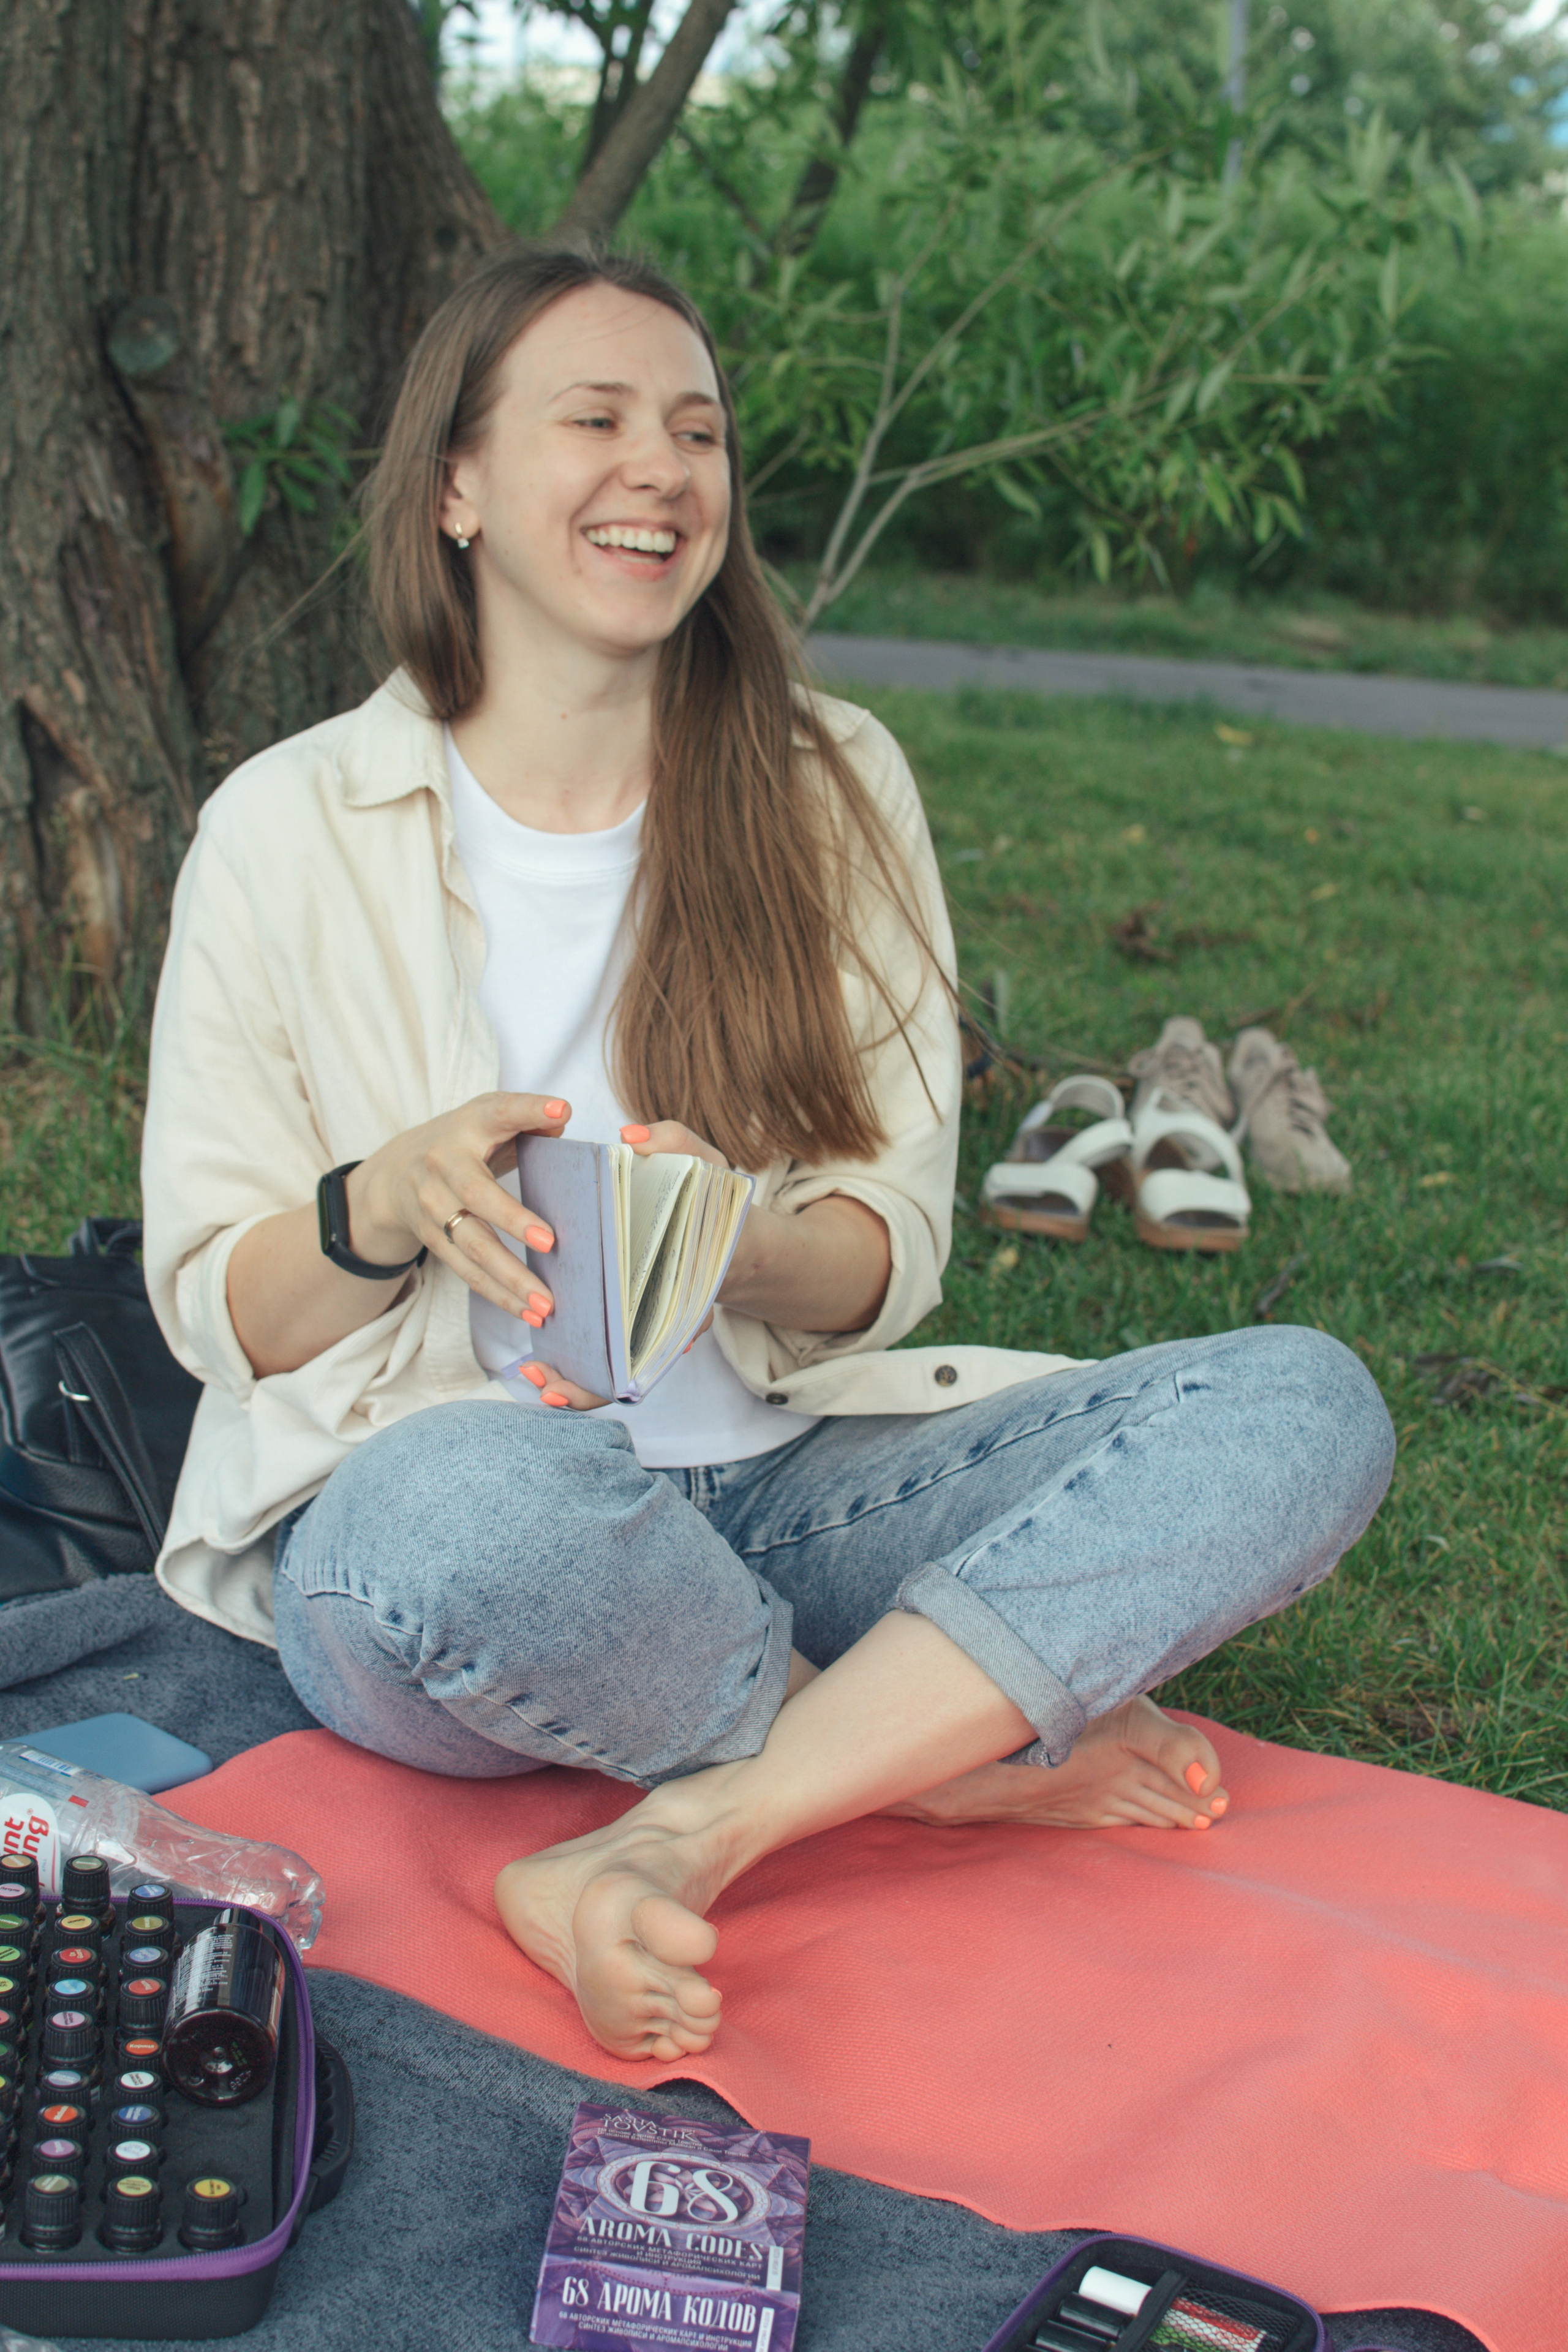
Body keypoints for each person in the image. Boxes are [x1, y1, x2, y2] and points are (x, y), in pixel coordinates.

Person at [141, 246, 1395, 2065]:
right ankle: (919, 1758)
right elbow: (217, 1318)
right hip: (445, 1532)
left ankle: (701, 1818)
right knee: (461, 1499)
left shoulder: (829, 781)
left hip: (797, 1495)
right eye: (598, 420)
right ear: (459, 489)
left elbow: (894, 1245)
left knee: (1304, 1404)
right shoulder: (284, 826)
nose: (662, 467)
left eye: (698, 431)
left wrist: (725, 1244)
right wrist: (382, 1204)